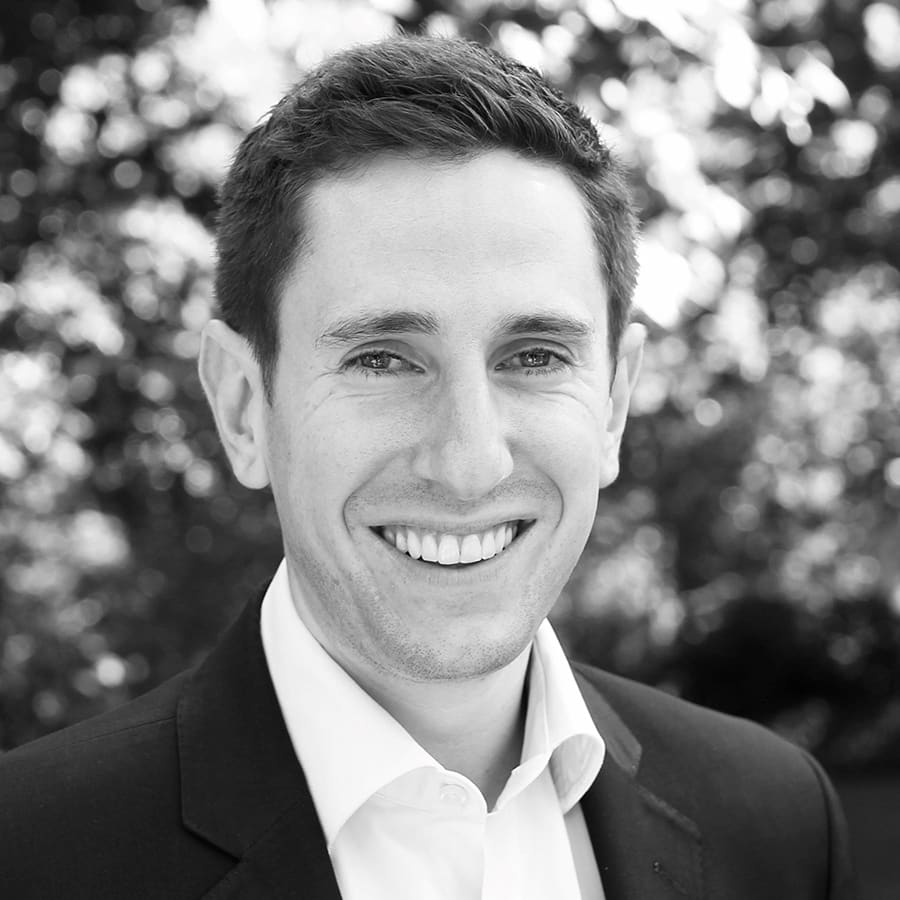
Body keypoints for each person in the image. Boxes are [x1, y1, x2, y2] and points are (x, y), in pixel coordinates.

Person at [0, 35, 855, 899]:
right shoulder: (31, 854)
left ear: (613, 402)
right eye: (381, 359)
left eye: (534, 356)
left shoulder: (780, 826)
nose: (470, 463)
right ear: (241, 406)